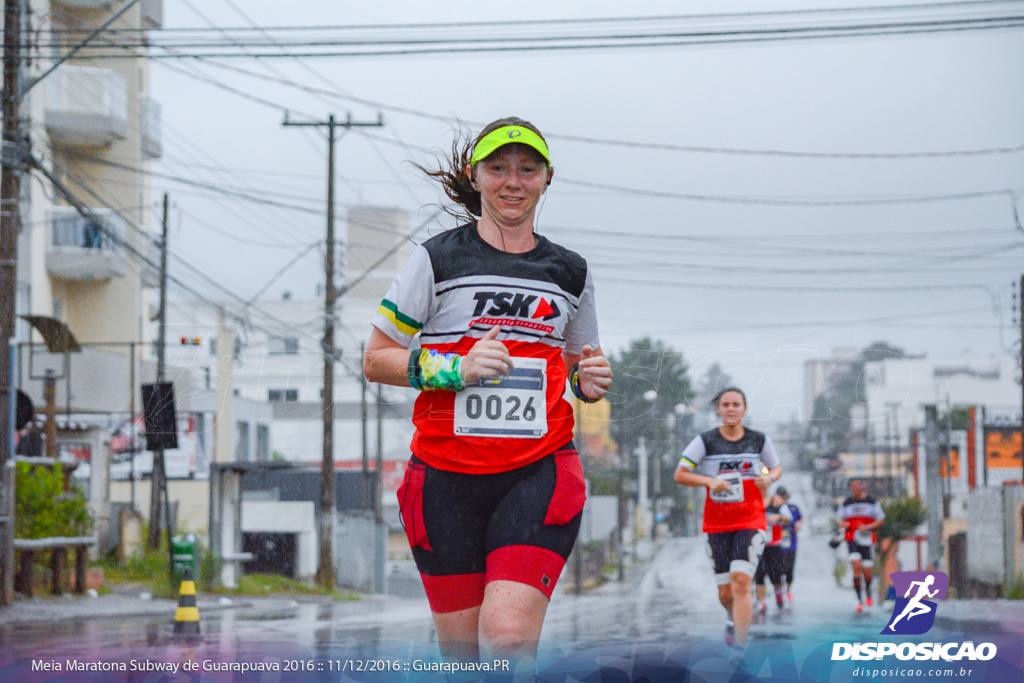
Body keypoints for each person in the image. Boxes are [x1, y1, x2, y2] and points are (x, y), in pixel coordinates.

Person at [363, 117, 613, 663]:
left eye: (528, 169)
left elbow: (578, 364)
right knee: (463, 656)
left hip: (538, 469)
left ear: (547, 179)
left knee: (507, 637)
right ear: (476, 177)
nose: (513, 181)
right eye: (498, 168)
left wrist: (588, 383)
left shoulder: (570, 271)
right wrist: (455, 369)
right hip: (444, 478)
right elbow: (375, 358)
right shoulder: (436, 259)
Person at [673, 387, 782, 660]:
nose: (731, 409)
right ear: (718, 410)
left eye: (736, 404)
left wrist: (769, 478)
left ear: (744, 408)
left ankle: (739, 647)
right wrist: (709, 480)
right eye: (725, 405)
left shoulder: (759, 440)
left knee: (741, 581)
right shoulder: (705, 441)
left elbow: (776, 467)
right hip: (717, 523)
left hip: (751, 519)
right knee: (725, 592)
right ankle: (732, 619)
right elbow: (681, 473)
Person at [836, 479, 885, 612]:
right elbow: (839, 520)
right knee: (856, 566)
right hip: (851, 538)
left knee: (867, 572)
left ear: (862, 486)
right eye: (853, 486)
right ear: (850, 488)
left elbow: (880, 519)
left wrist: (868, 526)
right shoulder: (846, 503)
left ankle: (868, 590)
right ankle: (859, 600)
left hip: (867, 539)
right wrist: (843, 524)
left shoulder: (872, 501)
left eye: (858, 485)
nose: (856, 488)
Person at [753, 490, 792, 612]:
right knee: (760, 572)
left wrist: (779, 517)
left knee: (775, 573)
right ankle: (761, 601)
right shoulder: (753, 501)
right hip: (758, 544)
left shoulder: (777, 502)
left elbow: (789, 519)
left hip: (774, 545)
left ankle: (778, 594)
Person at [777, 486, 802, 602]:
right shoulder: (774, 508)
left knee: (789, 567)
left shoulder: (793, 508)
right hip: (777, 543)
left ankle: (788, 589)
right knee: (777, 567)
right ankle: (778, 589)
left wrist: (798, 525)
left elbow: (800, 519)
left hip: (791, 542)